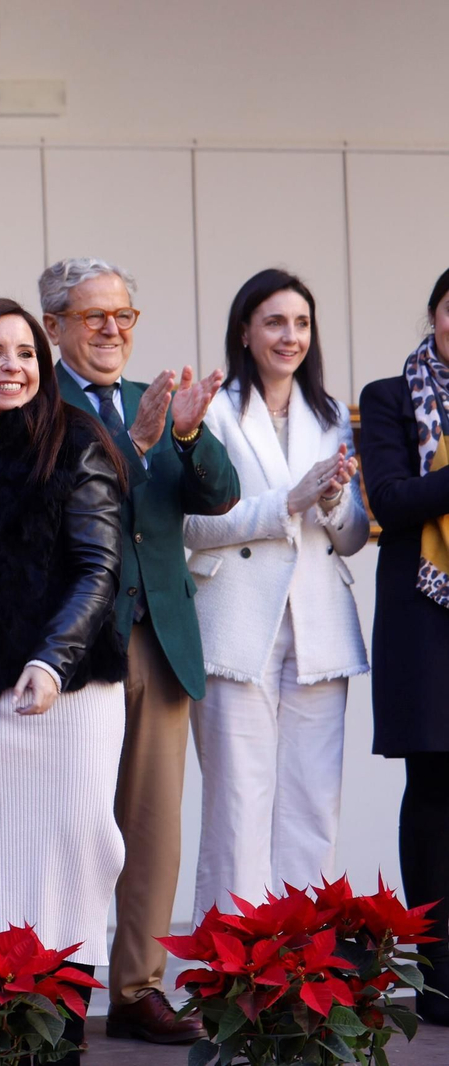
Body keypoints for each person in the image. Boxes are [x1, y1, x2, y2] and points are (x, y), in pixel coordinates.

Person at [38, 258, 239, 1045]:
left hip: (158, 638)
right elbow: (48, 503)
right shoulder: (34, 400)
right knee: (76, 825)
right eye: (94, 317)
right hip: (73, 643)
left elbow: (217, 494)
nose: (114, 330)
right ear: (54, 325)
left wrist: (185, 432)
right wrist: (139, 439)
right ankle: (56, 990)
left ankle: (137, 990)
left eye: (124, 314)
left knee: (152, 826)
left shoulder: (150, 398)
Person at [0, 298, 128, 1065]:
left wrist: (53, 660)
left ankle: (60, 1044)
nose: (13, 367)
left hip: (70, 698)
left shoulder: (75, 440)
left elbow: (100, 567)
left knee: (75, 858)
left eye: (24, 352)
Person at [185, 269, 369, 919]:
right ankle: (231, 978)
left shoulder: (328, 414)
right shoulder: (212, 410)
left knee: (313, 803)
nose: (289, 336)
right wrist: (285, 502)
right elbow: (191, 525)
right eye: (274, 322)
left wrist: (334, 498)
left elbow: (349, 539)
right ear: (245, 331)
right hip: (238, 620)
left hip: (318, 625)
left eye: (301, 323)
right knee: (238, 803)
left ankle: (301, 976)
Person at [358, 267, 449, 1025]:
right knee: (436, 795)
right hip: (427, 616)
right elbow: (390, 498)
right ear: (434, 314)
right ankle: (441, 975)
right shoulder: (390, 397)